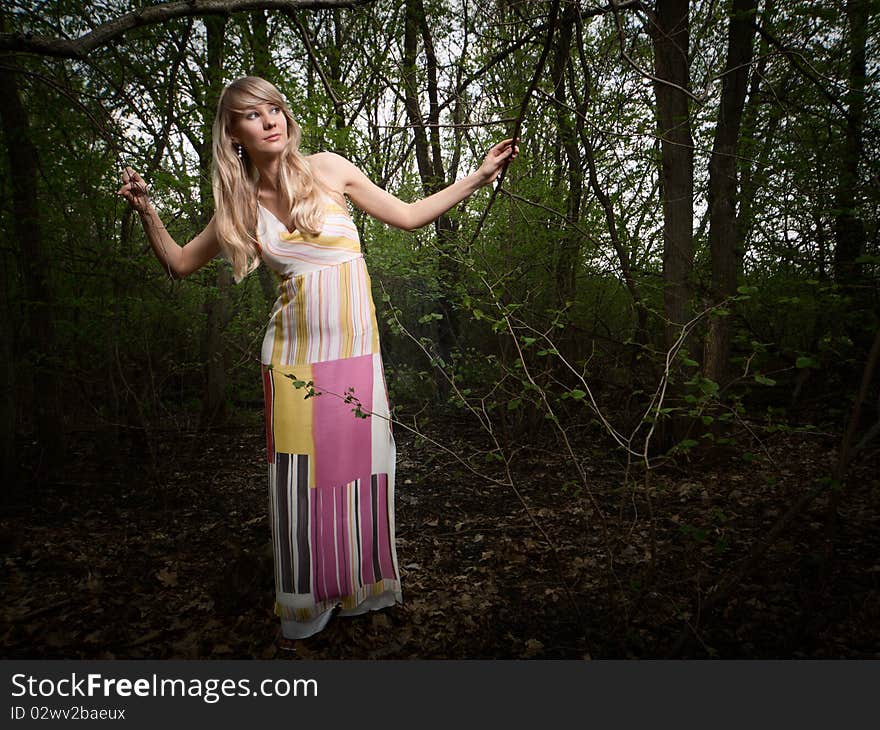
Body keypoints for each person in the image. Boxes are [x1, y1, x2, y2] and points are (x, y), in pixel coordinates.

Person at [117, 75, 518, 645]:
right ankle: (306, 600)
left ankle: (360, 588)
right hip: (291, 363)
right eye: (252, 115)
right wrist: (147, 211)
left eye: (274, 109)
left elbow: (407, 215)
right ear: (234, 134)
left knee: (362, 473)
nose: (269, 120)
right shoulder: (240, 203)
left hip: (355, 353)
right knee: (299, 484)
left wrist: (477, 176)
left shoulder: (330, 168)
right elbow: (181, 264)